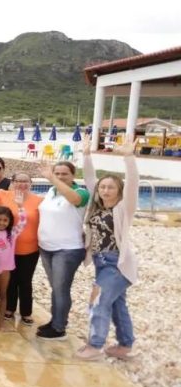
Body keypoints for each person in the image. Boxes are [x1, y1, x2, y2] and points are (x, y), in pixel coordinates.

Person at [75, 135, 139, 360]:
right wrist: (86, 154)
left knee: (98, 301)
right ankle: (125, 345)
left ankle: (95, 346)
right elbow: (90, 179)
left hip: (117, 264)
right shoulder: (97, 207)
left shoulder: (123, 208)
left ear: (119, 190)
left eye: (111, 187)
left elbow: (133, 184)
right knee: (117, 306)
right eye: (102, 187)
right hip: (101, 263)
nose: (105, 190)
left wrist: (129, 158)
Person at [37, 160, 90, 340]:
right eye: (57, 173)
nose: (60, 177)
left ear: (73, 175)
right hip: (46, 248)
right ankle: (55, 321)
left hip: (67, 250)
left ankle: (59, 328)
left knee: (61, 288)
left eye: (64, 174)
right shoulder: (51, 192)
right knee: (56, 288)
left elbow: (74, 200)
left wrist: (52, 178)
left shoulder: (81, 192)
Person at [0, 173, 43, 325]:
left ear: (31, 183)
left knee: (25, 281)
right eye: (18, 181)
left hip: (30, 249)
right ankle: (9, 308)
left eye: (25, 181)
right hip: (8, 250)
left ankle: (26, 312)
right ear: (12, 182)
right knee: (11, 281)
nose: (21, 184)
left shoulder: (39, 200)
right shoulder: (3, 195)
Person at [0, 203, 26, 327]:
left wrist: (20, 206)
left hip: (5, 268)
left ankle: (1, 320)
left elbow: (23, 222)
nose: (1, 222)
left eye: (5, 220)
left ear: (10, 221)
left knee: (3, 293)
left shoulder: (13, 233)